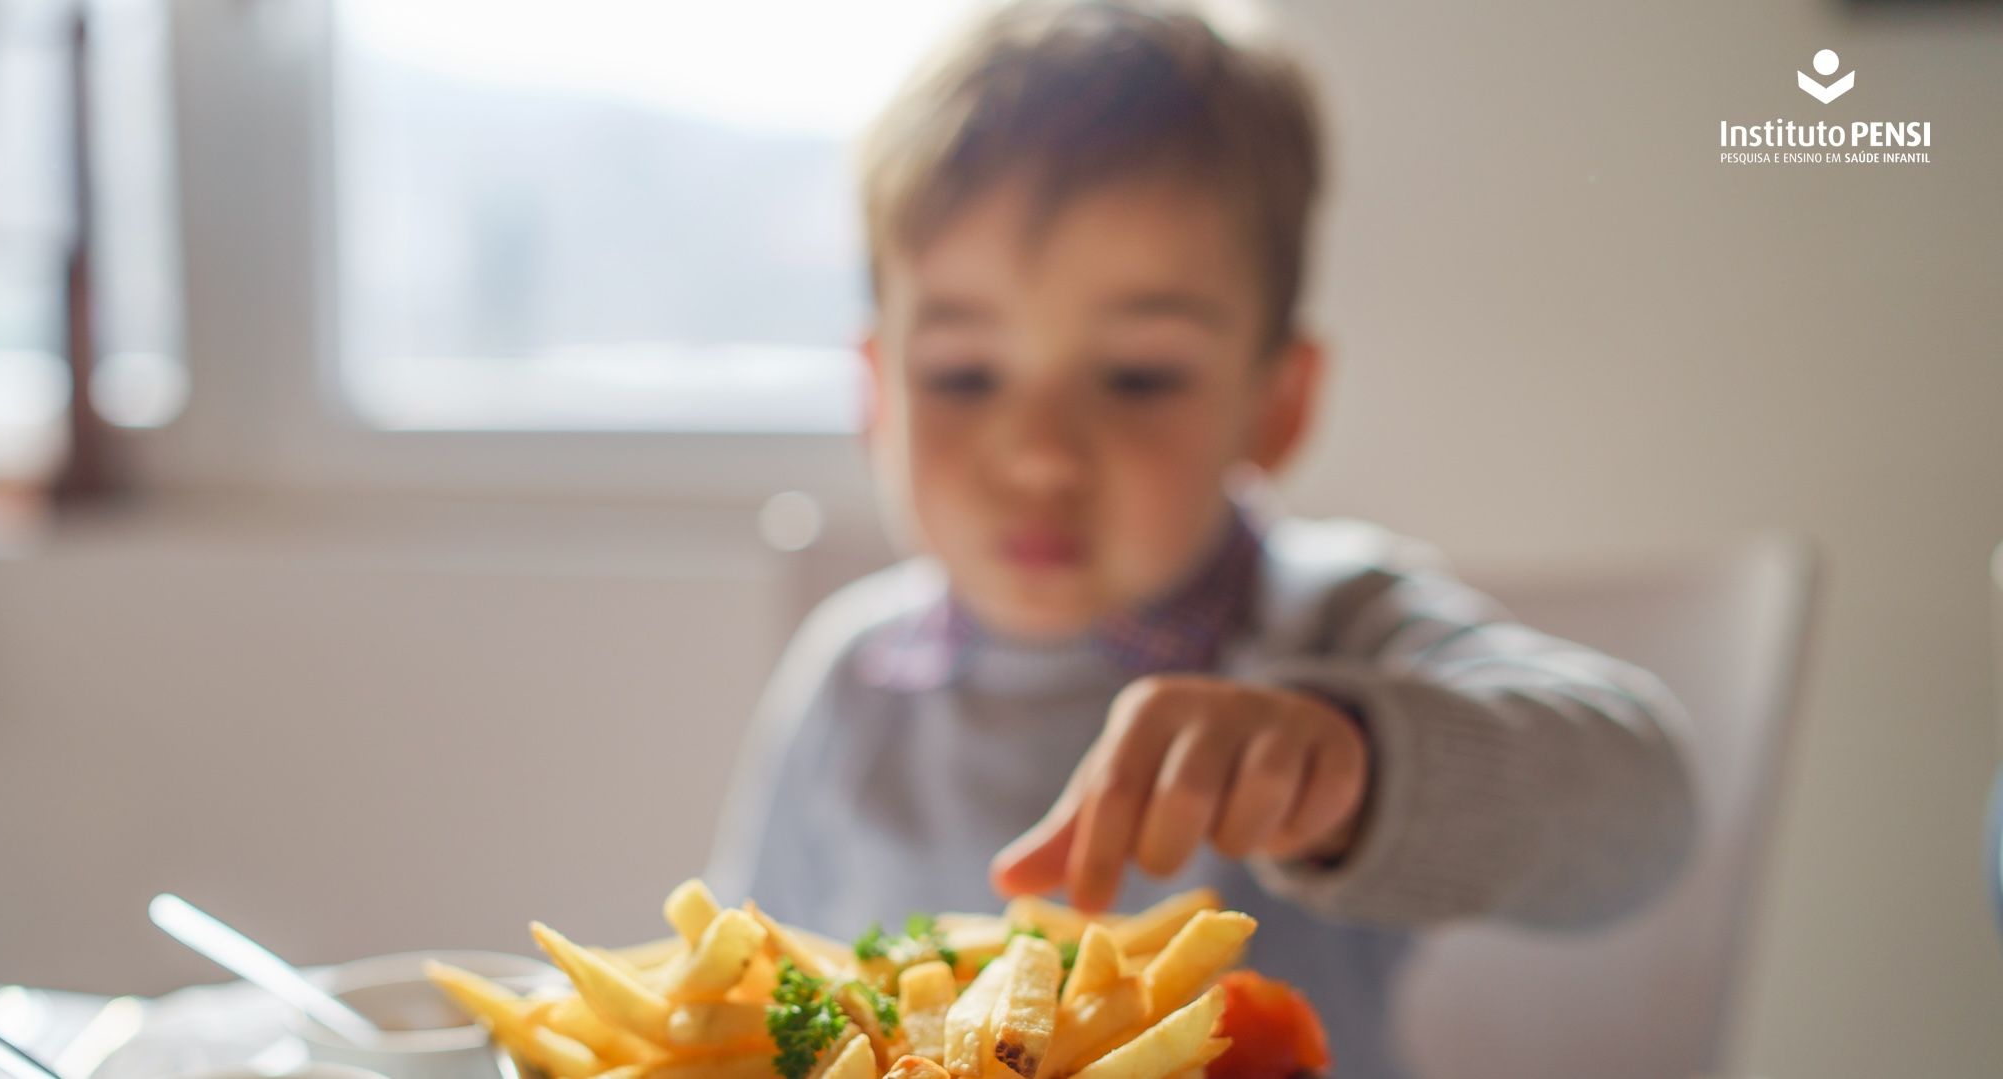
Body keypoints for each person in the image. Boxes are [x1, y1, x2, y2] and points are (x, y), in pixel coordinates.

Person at [706, 3, 1696, 1074]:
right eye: (962, 374)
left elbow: (1641, 814)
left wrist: (1348, 761)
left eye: (1137, 376)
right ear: (877, 399)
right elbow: (739, 1001)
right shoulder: (847, 682)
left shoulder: (1332, 625)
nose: (1039, 452)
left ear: (1274, 404)